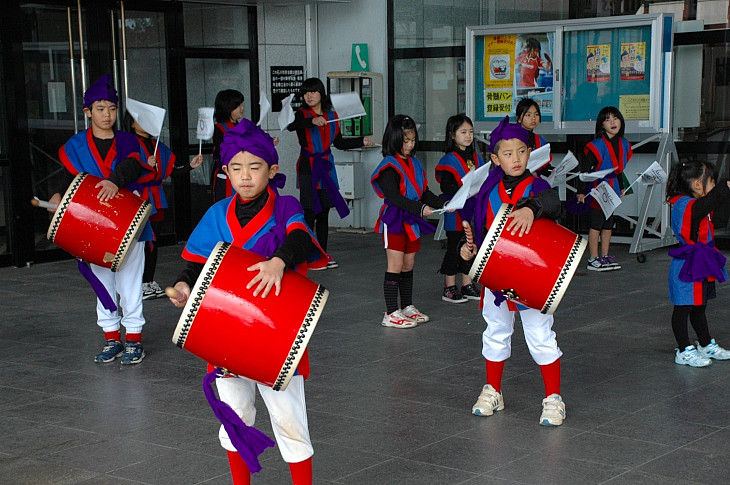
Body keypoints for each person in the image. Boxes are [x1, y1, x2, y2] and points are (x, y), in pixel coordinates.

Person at [169, 118, 326, 485]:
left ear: (272, 169)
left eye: (254, 167)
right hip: (223, 329)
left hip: (276, 333)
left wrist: (278, 260)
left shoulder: (285, 206)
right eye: (236, 168)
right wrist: (181, 285)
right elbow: (193, 265)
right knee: (234, 416)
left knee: (290, 421)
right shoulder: (216, 214)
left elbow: (301, 238)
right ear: (225, 171)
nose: (245, 176)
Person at [460, 116, 565, 425]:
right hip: (497, 279)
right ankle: (493, 389)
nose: (516, 159)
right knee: (495, 331)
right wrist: (466, 252)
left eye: (522, 151)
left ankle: (553, 397)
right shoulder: (486, 193)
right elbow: (478, 237)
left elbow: (553, 203)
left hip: (534, 276)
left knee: (540, 334)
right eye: (508, 153)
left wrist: (532, 208)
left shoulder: (538, 186)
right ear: (495, 158)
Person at [49, 74, 152, 365]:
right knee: (102, 280)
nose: (107, 114)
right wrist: (57, 195)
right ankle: (111, 339)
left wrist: (114, 181)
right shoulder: (76, 145)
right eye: (100, 109)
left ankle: (133, 339)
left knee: (130, 282)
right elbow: (65, 175)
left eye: (111, 108)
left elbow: (135, 165)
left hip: (128, 221)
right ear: (88, 112)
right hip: (90, 224)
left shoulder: (129, 139)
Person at [287, 77, 375, 269]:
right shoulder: (300, 114)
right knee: (309, 212)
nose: (309, 96)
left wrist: (361, 141)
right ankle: (308, 255)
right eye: (306, 92)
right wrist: (312, 120)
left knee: (324, 213)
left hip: (327, 167)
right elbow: (294, 125)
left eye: (313, 91)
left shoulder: (332, 115)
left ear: (321, 93)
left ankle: (323, 254)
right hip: (308, 167)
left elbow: (340, 143)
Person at [371, 114, 446, 328]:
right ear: (393, 139)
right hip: (395, 219)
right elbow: (395, 198)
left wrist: (443, 202)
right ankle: (391, 312)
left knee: (408, 264)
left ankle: (406, 306)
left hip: (411, 219)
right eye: (405, 141)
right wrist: (421, 209)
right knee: (395, 264)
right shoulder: (388, 166)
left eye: (412, 140)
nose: (410, 144)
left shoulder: (415, 163)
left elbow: (424, 192)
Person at [122, 110, 203, 300]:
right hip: (137, 196)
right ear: (131, 123)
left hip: (155, 197)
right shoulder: (127, 143)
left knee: (153, 242)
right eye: (141, 119)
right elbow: (122, 171)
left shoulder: (156, 145)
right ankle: (137, 283)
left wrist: (190, 166)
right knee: (139, 243)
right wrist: (141, 163)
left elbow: (172, 171)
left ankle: (148, 280)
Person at [666, 159, 730, 367]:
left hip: (701, 261)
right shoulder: (685, 204)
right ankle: (683, 349)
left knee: (699, 306)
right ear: (696, 185)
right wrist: (725, 187)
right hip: (688, 265)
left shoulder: (694, 203)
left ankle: (704, 343)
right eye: (711, 182)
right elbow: (707, 204)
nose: (712, 187)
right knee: (683, 308)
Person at [434, 114, 486, 303]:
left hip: (473, 209)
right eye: (463, 132)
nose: (468, 136)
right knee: (455, 248)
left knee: (471, 246)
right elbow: (445, 187)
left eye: (471, 132)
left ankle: (467, 283)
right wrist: (465, 189)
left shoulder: (475, 157)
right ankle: (449, 287)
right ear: (452, 135)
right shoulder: (449, 159)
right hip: (456, 211)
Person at [576, 106, 632, 272]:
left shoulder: (624, 144)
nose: (612, 122)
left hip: (613, 187)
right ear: (601, 125)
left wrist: (622, 188)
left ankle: (604, 255)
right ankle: (593, 258)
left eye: (615, 118)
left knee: (608, 224)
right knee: (596, 223)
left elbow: (619, 171)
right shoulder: (596, 145)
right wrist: (580, 191)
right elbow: (585, 172)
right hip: (598, 188)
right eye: (607, 119)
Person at [211, 89, 245, 202]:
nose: (242, 108)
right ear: (228, 108)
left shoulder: (243, 127)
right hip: (226, 179)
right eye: (238, 106)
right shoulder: (219, 129)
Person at [514, 98, 552, 176]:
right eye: (528, 115)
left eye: (536, 114)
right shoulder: (511, 138)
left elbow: (545, 165)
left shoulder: (539, 140)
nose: (533, 118)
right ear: (519, 118)